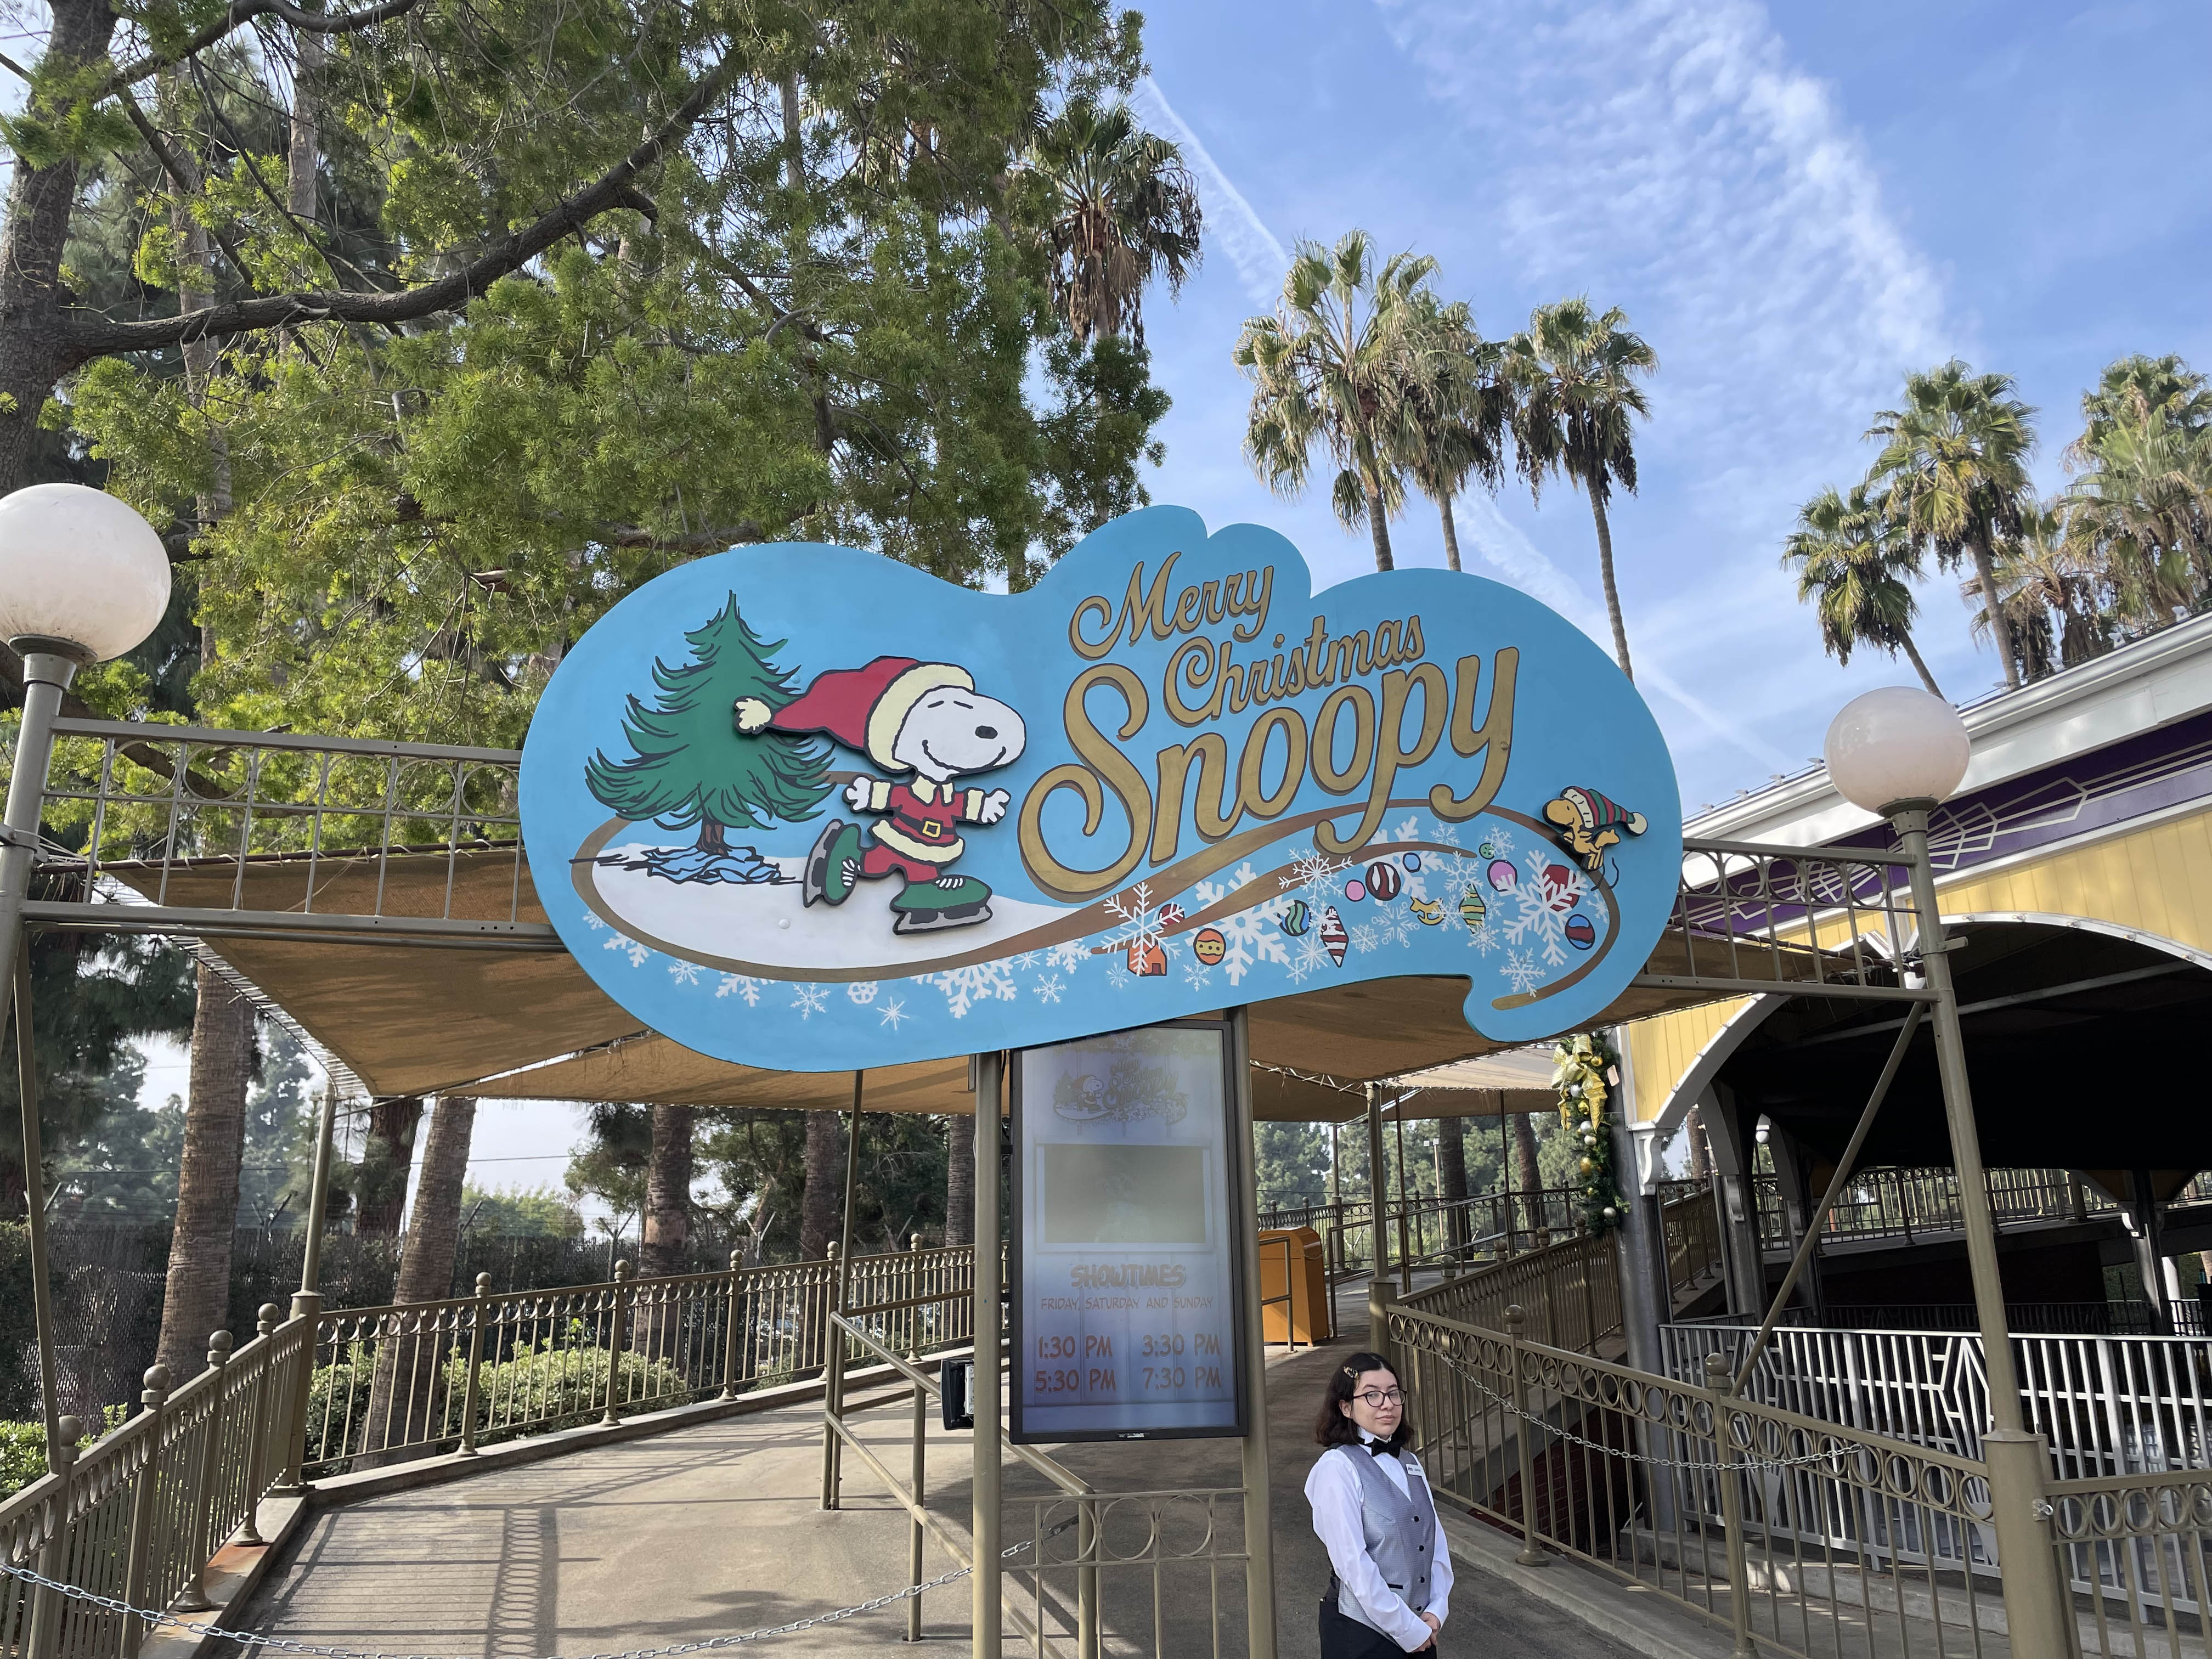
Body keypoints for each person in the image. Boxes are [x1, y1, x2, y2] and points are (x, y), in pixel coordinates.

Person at [1305, 1351, 1453, 1656]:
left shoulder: (1410, 1462)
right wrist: (1406, 1628)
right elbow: (1352, 1563)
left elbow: (1435, 1542)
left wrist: (1437, 1609)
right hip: (1362, 1635)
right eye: (1372, 1395)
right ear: (1346, 1407)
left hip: (1423, 1629)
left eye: (1393, 1393)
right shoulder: (1337, 1467)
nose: (1387, 1404)